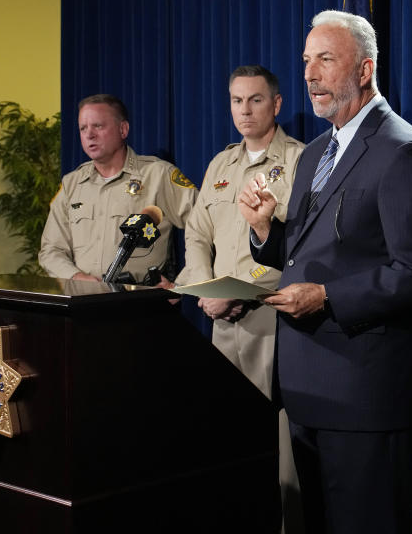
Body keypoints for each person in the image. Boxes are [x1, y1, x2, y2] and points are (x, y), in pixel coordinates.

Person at [238, 10, 412, 534]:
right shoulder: (315, 154)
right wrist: (267, 233)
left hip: (365, 397)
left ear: (364, 70)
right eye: (307, 61)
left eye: (325, 60)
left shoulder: (403, 151)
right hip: (307, 391)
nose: (310, 74)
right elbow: (311, 252)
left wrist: (329, 298)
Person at [176, 65, 304, 533]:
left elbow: (293, 244)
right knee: (224, 438)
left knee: (278, 445)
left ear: (276, 103)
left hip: (271, 320)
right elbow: (195, 234)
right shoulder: (220, 164)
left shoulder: (298, 161)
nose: (244, 110)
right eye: (236, 100)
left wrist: (238, 290)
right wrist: (206, 288)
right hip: (218, 320)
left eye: (254, 100)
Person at [40, 94, 196, 283]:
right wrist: (76, 277)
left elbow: (206, 229)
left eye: (98, 126)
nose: (89, 134)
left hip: (141, 302)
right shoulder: (71, 184)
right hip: (84, 302)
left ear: (123, 129)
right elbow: (51, 250)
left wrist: (181, 284)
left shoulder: (158, 174)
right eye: (83, 128)